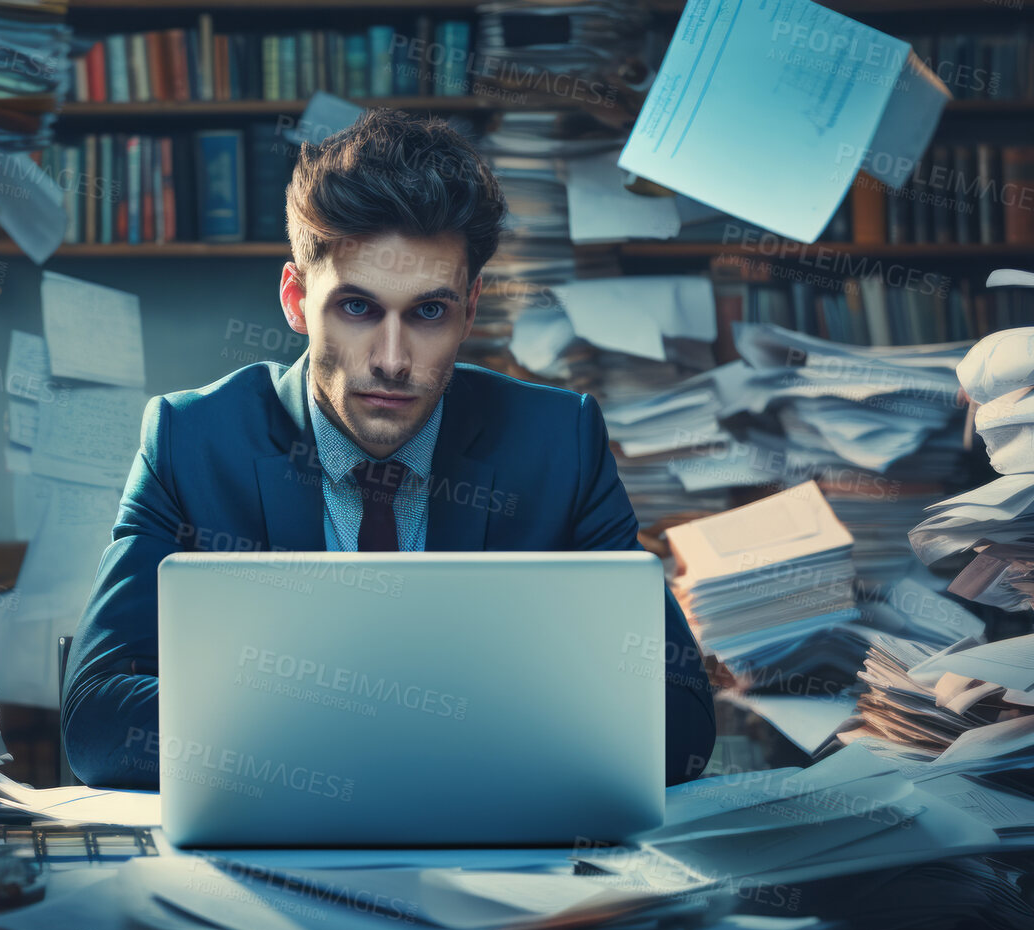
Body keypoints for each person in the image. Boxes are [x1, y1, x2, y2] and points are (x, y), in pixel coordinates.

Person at [62, 109, 714, 789]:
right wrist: (407, 717)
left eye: (428, 312)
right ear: (295, 299)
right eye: (356, 308)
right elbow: (100, 725)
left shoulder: (560, 443)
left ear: (470, 306)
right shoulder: (191, 442)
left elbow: (679, 723)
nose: (393, 360)